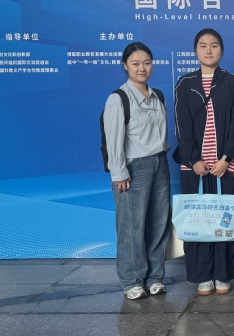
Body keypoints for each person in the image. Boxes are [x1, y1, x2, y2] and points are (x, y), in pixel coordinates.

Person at [174, 28, 234, 296]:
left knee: (224, 222)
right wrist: (194, 159)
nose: (208, 50)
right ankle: (202, 276)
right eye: (203, 45)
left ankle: (223, 275)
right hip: (194, 168)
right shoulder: (185, 83)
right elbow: (182, 126)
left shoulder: (233, 82)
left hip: (226, 166)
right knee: (198, 220)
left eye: (214, 45)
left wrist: (226, 158)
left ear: (222, 50)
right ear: (195, 50)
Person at [104, 42, 170, 300]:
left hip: (160, 163)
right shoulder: (118, 99)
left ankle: (155, 277)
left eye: (147, 63)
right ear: (125, 66)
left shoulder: (158, 96)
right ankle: (132, 280)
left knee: (158, 223)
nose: (142, 68)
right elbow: (114, 140)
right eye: (135, 63)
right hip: (134, 168)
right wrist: (119, 172)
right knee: (131, 226)